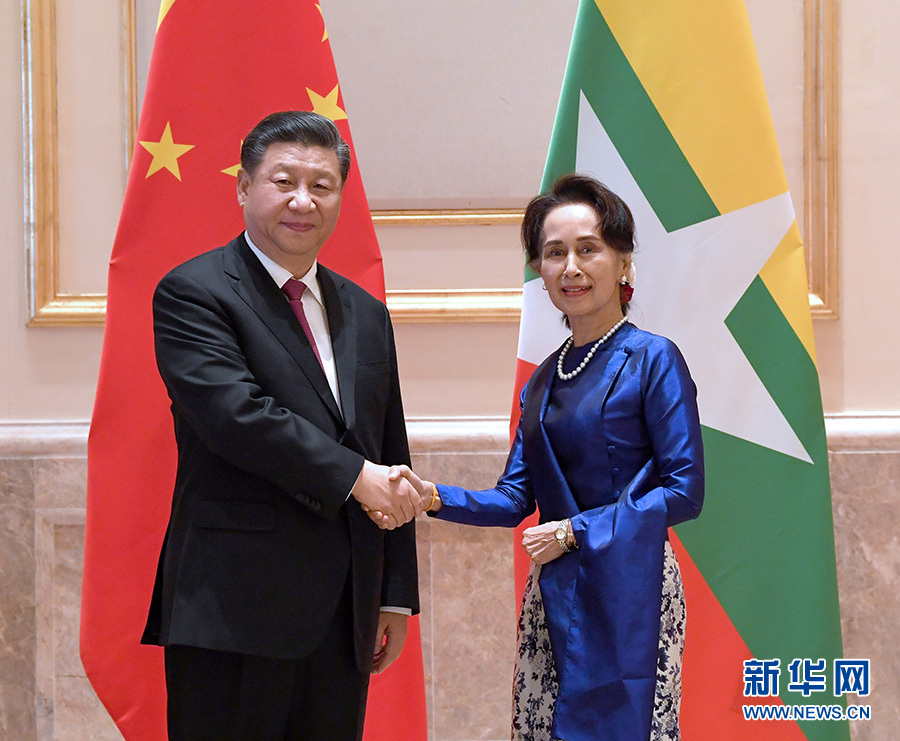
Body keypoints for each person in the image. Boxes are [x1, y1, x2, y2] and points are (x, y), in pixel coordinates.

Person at [387, 174, 704, 740]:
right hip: (555, 593)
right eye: (554, 253)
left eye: (588, 249)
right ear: (539, 270)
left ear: (623, 261)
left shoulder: (653, 358)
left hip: (633, 586)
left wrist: (573, 532)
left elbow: (684, 491)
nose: (571, 267)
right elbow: (514, 500)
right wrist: (432, 497)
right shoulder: (540, 382)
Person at [141, 110, 422, 741]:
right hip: (233, 606)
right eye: (284, 181)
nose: (303, 201)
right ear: (244, 187)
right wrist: (355, 478)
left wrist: (394, 592)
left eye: (322, 186)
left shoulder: (365, 312)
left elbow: (388, 447)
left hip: (344, 613)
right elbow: (236, 417)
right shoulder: (193, 293)